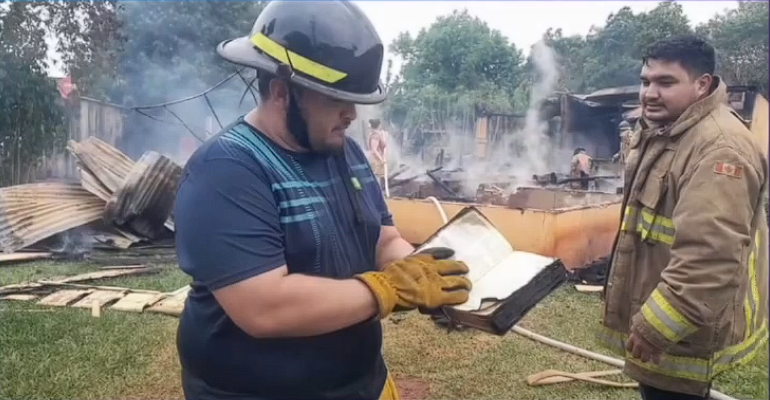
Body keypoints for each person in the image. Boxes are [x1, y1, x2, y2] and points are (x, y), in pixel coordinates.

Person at [172, 2, 472, 400]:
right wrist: (387, 290)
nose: (351, 114)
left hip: (362, 383)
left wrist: (420, 270)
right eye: (335, 100)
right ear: (281, 92)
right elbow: (265, 307)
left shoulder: (344, 152)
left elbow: (381, 237)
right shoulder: (226, 171)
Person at [600, 35, 768, 400]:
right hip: (660, 314)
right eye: (646, 81)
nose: (649, 93)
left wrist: (656, 327)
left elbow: (710, 257)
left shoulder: (719, 148)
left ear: (702, 84)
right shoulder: (668, 132)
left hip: (680, 330)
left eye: (666, 82)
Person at [367, 118, 388, 186]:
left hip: (377, 159)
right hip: (375, 159)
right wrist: (381, 160)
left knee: (378, 176)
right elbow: (374, 150)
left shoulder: (378, 134)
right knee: (376, 177)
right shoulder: (375, 135)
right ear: (379, 125)